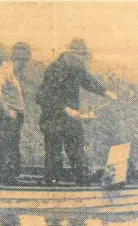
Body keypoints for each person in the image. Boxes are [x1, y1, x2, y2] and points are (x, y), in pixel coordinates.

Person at [36, 39, 117, 186]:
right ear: (70, 55)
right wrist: (65, 109)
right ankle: (52, 185)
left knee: (78, 151)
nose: (83, 62)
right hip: (52, 119)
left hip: (71, 120)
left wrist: (105, 91)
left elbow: (88, 81)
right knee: (54, 154)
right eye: (80, 58)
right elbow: (42, 97)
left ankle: (83, 183)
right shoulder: (54, 69)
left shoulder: (77, 68)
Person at [0, 42, 32, 185]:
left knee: (10, 150)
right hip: (6, 118)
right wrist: (7, 111)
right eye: (24, 62)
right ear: (20, 59)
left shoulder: (11, 72)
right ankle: (8, 184)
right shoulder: (5, 71)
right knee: (7, 150)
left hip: (11, 119)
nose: (25, 66)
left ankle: (9, 181)